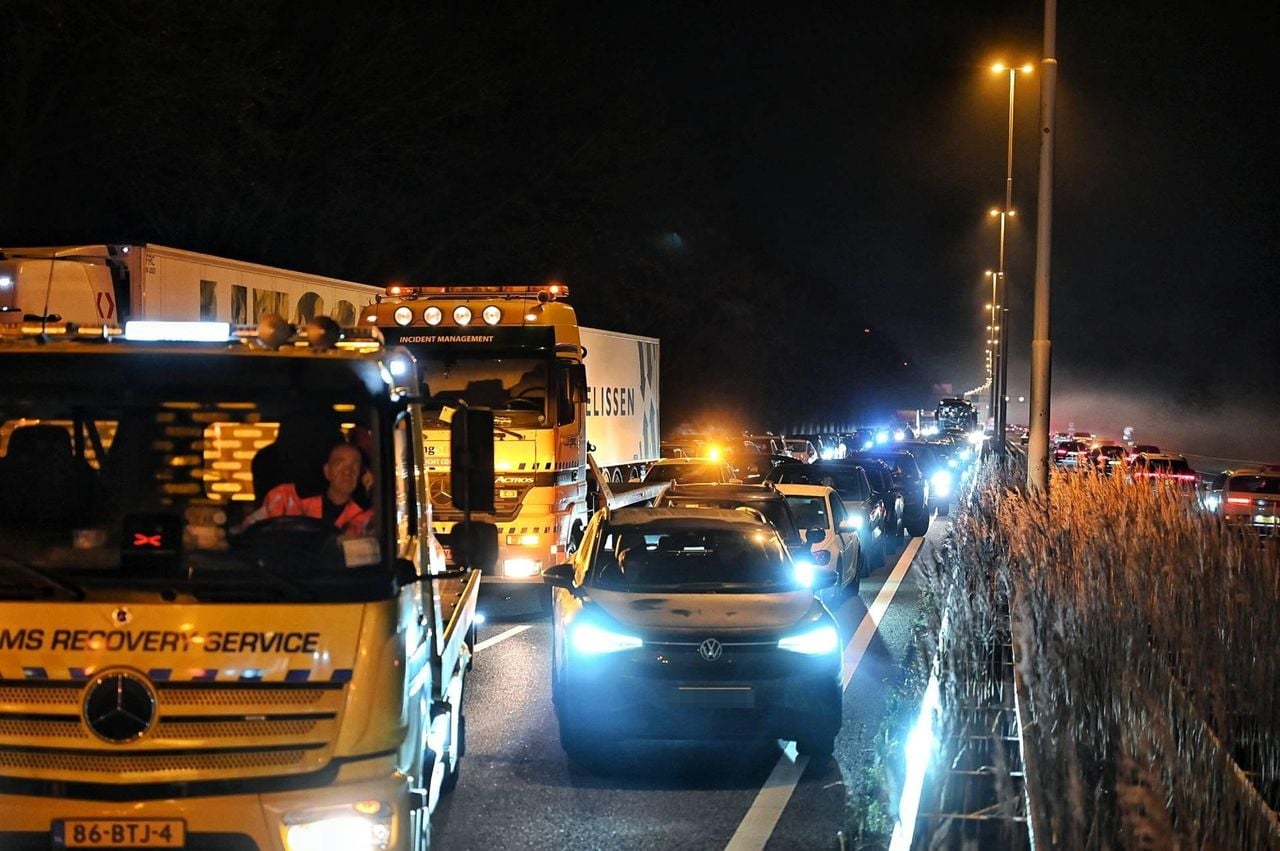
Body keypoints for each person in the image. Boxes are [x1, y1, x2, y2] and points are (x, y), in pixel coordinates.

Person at [242, 442, 373, 536]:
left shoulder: (368, 516)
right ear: (327, 471)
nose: (347, 471)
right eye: (339, 463)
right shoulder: (285, 498)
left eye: (355, 465)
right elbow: (248, 529)